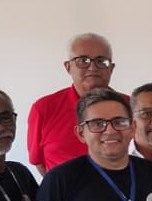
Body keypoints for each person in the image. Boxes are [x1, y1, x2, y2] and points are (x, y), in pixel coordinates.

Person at [26, 33, 116, 174]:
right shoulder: (44, 108)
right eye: (83, 60)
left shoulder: (131, 107)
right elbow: (39, 162)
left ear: (111, 68)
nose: (93, 68)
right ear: (68, 67)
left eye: (101, 61)